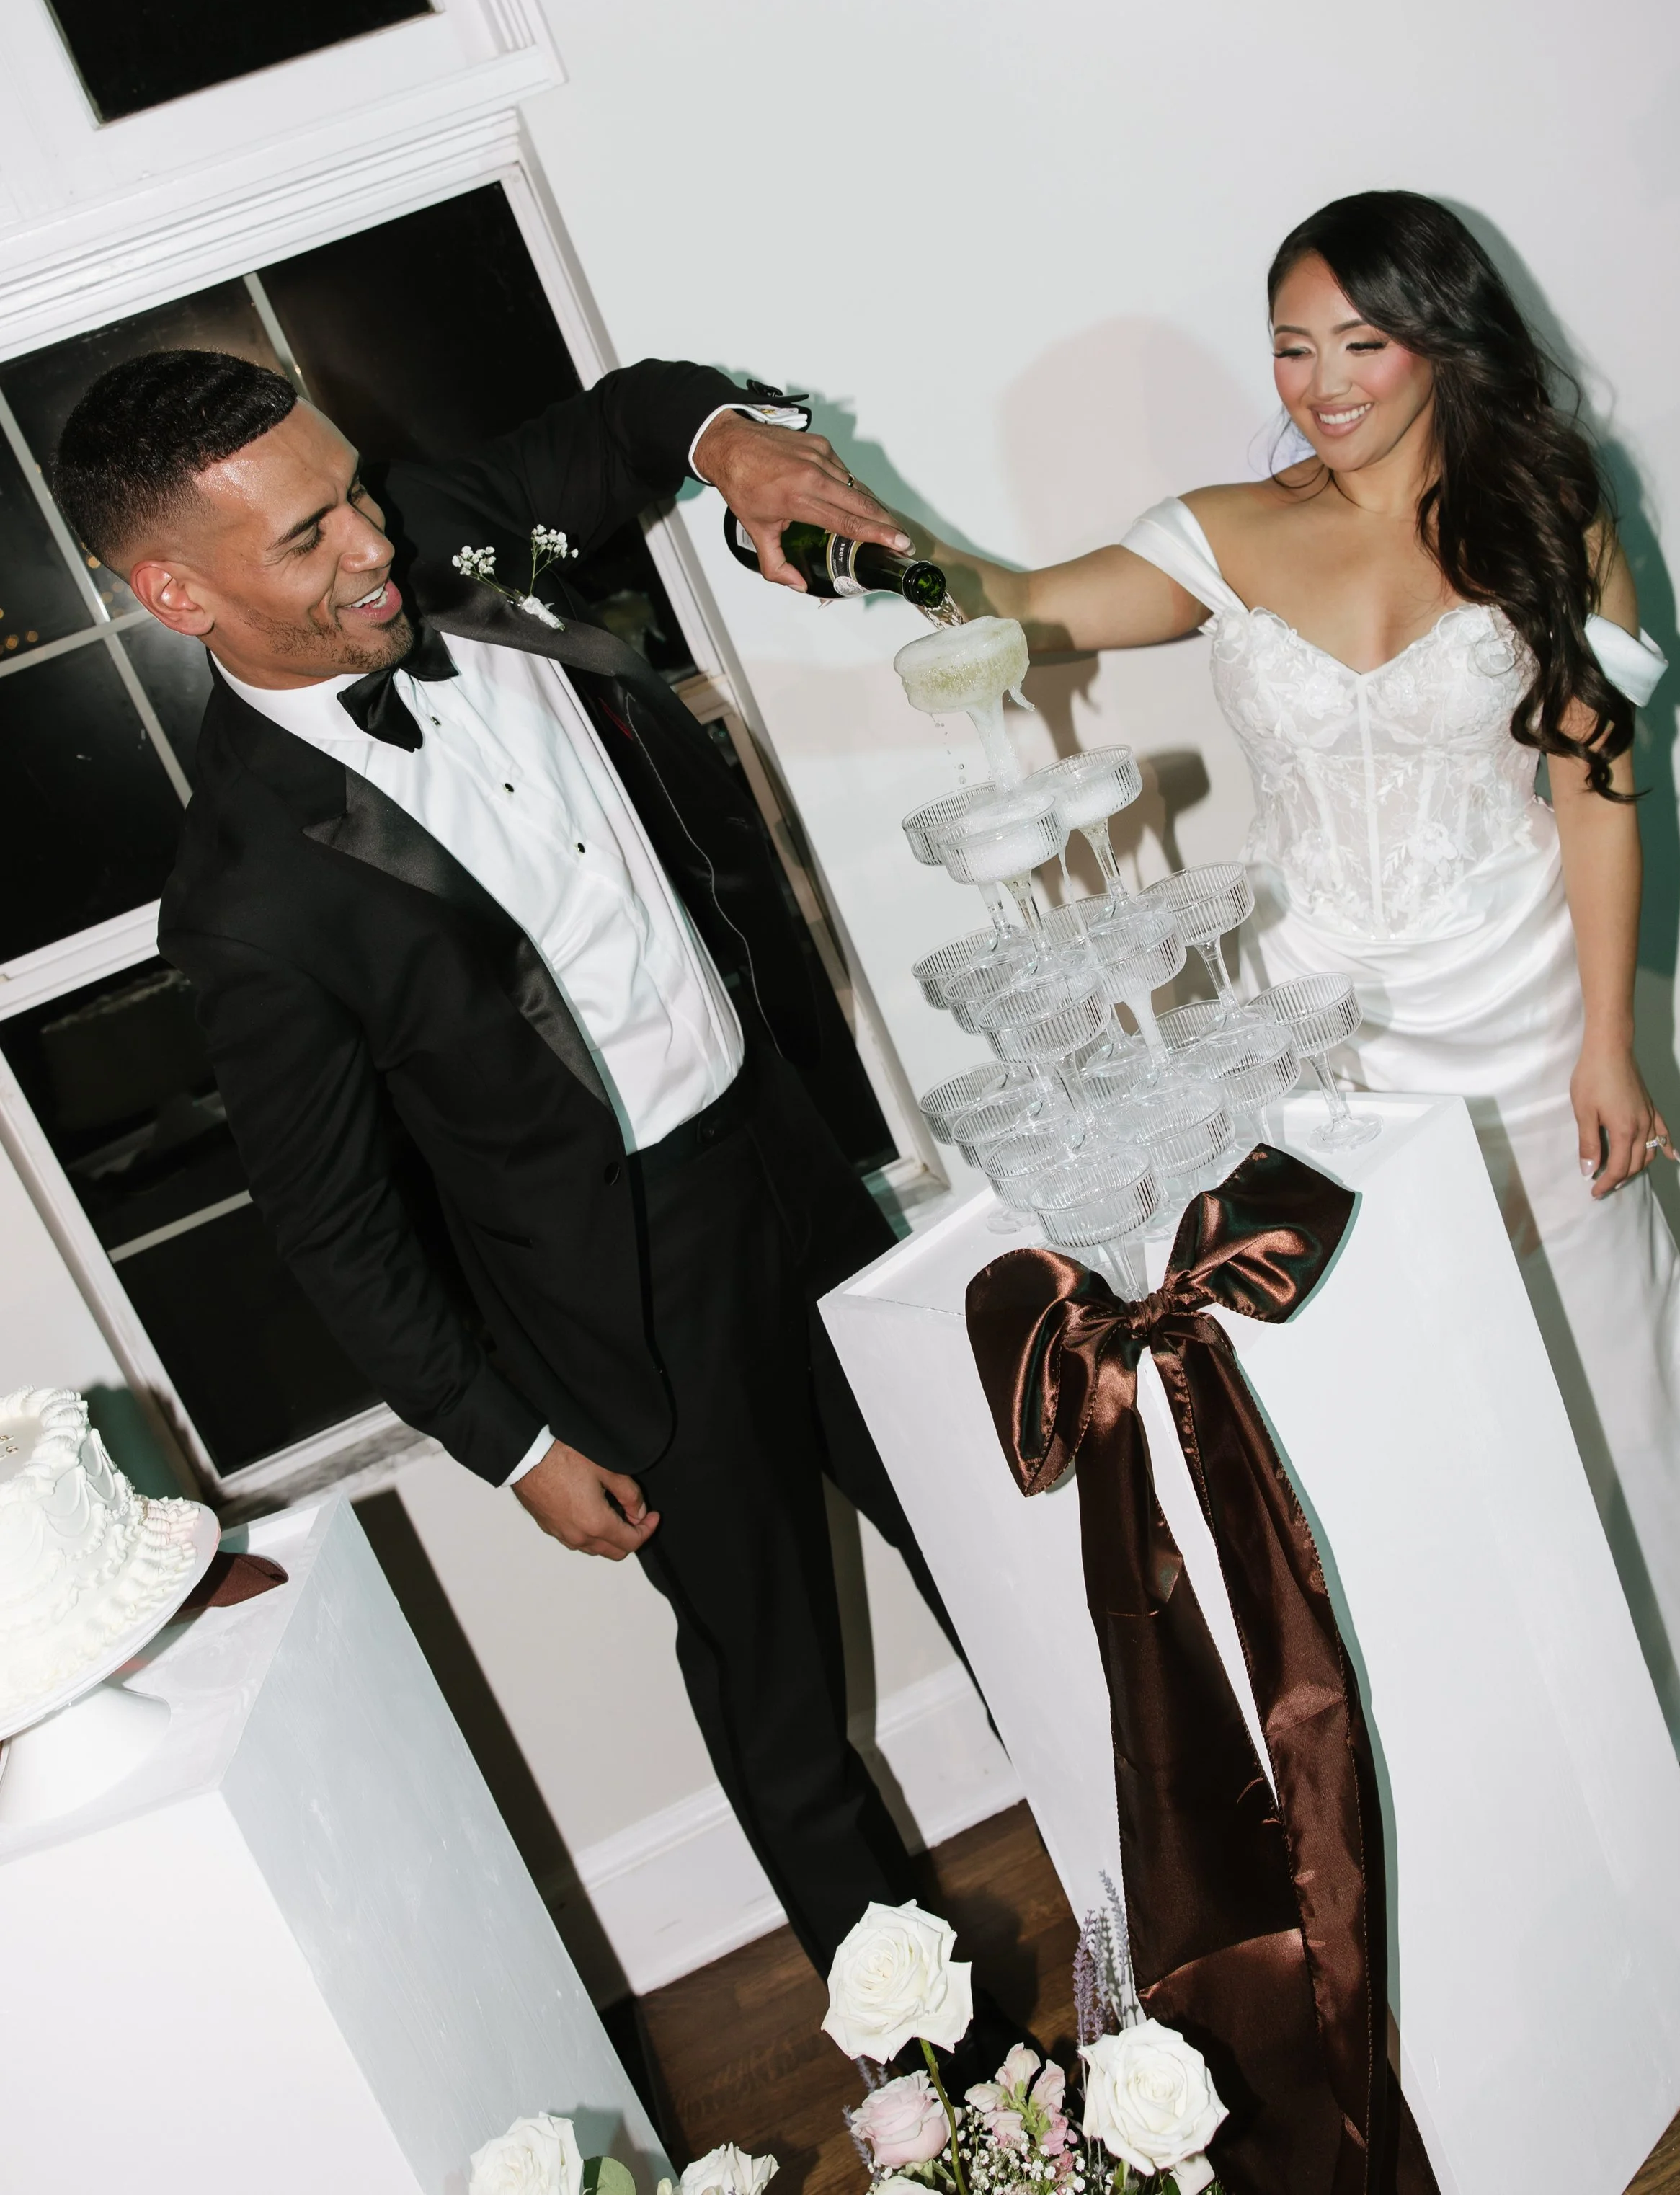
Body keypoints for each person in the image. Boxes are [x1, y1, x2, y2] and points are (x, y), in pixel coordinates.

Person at [50, 349, 1013, 2053]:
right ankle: (979, 2089)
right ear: (173, 593)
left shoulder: (441, 529)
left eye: (355, 488)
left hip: (785, 1156)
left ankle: (1180, 1884)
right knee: (778, 1702)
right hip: (619, 1297)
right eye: (309, 534)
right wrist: (507, 1439)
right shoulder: (246, 903)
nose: (372, 546)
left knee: (1000, 1535)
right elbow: (339, 1226)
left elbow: (642, 415)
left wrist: (739, 452)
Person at [892, 190, 1680, 1760]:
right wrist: (881, 552)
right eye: (1291, 347)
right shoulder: (1225, 532)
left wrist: (1607, 1042)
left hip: (1520, 1007)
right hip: (1324, 1041)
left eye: (1356, 343)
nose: (1318, 382)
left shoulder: (1548, 515)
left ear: (1437, 341)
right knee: (1406, 1368)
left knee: (1602, 1340)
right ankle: (1503, 1705)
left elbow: (1593, 789)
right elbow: (1018, 604)